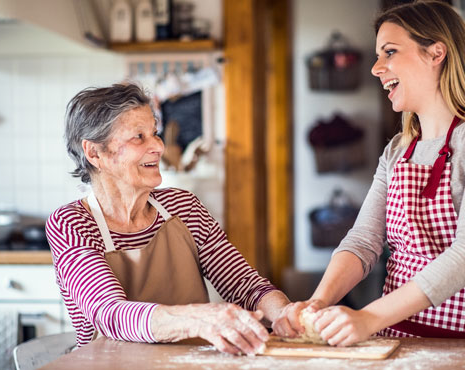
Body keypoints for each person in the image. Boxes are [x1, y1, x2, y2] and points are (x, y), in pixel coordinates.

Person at [272, 1, 465, 346]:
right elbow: (362, 242)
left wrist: (368, 317)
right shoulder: (398, 150)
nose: (376, 68)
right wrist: (318, 303)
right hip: (395, 336)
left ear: (436, 53)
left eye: (389, 52)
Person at [46, 83, 290, 355]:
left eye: (154, 133)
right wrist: (199, 320)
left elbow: (244, 286)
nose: (158, 146)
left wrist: (285, 314)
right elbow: (110, 313)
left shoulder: (184, 207)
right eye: (138, 137)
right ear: (95, 153)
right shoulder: (71, 223)